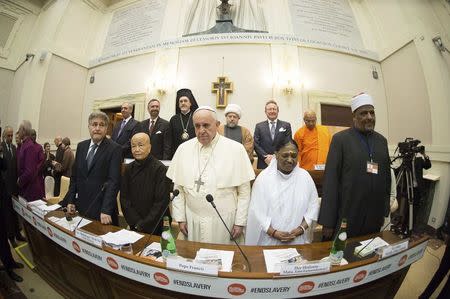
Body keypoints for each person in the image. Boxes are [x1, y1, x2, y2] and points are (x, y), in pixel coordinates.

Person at [167, 106, 255, 244]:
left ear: (217, 125)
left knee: (224, 262)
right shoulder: (183, 149)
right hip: (192, 220)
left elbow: (244, 192)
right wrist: (180, 218)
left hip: (225, 222)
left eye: (206, 125)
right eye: (197, 126)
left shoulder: (236, 149)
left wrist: (240, 222)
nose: (201, 130)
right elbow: (178, 189)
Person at [318, 93, 391, 240]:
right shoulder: (340, 140)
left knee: (368, 255)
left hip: (373, 216)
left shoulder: (382, 141)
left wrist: (384, 211)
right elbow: (331, 181)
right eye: (363, 113)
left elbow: (386, 178)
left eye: (372, 113)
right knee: (341, 256)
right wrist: (327, 221)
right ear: (354, 117)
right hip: (347, 214)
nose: (369, 117)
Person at [245, 140, 319, 245]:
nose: (290, 160)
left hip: (297, 240)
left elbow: (313, 207)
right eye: (285, 155)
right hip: (270, 240)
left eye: (294, 156)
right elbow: (256, 212)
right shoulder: (264, 178)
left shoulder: (305, 177)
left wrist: (301, 228)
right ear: (276, 154)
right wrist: (273, 232)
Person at [63, 112, 122, 225]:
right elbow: (75, 177)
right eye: (94, 124)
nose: (97, 128)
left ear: (106, 128)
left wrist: (106, 209)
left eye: (102, 125)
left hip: (103, 212)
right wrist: (70, 200)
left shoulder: (115, 149)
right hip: (81, 208)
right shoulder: (81, 146)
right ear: (89, 127)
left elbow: (113, 182)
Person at [120, 133, 170, 235]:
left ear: (149, 147)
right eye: (133, 146)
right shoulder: (128, 168)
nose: (137, 149)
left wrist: (143, 224)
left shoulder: (160, 169)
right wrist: (135, 222)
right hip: (134, 224)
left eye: (140, 145)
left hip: (156, 224)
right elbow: (124, 199)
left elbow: (161, 202)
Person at [0, 150, 24, 283]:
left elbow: (4, 166)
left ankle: (10, 263)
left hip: (2, 197)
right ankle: (8, 269)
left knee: (3, 235)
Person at [1, 126, 26, 247]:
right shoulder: (1, 148)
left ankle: (18, 234)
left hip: (14, 187)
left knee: (15, 213)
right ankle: (11, 238)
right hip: (5, 188)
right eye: (8, 136)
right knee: (8, 215)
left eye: (11, 135)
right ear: (4, 136)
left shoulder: (14, 148)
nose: (10, 138)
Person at [254, 100, 292, 169]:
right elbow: (256, 144)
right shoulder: (259, 126)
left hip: (281, 161)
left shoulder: (286, 125)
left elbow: (288, 143)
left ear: (278, 111)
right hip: (264, 162)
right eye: (269, 109)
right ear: (265, 112)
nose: (272, 111)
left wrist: (276, 156)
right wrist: (265, 156)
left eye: (274, 109)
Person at [17, 120, 45, 202]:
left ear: (24, 130)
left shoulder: (29, 146)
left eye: (19, 129)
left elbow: (29, 171)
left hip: (28, 189)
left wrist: (20, 180)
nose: (18, 131)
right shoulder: (24, 144)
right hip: (25, 187)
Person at [169, 88, 199, 156]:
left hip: (194, 153)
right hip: (177, 153)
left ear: (190, 103)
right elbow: (170, 140)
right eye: (181, 101)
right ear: (178, 104)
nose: (183, 103)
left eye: (185, 101)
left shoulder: (197, 117)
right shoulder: (173, 119)